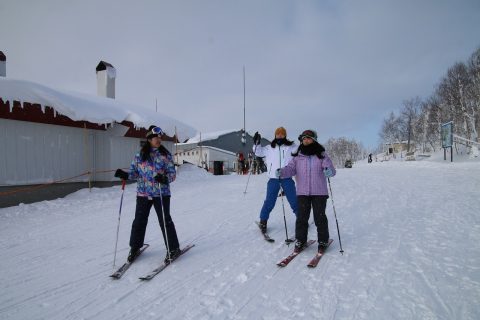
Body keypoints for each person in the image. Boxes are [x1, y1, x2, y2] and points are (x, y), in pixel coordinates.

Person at [114, 126, 181, 263]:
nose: (159, 140)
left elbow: (172, 174)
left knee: (164, 220)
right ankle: (135, 247)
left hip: (160, 193)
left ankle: (173, 248)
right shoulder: (140, 155)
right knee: (139, 221)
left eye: (160, 137)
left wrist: (164, 178)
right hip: (143, 193)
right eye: (156, 137)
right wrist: (125, 175)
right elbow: (134, 172)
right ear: (149, 139)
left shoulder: (165, 155)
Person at [277, 129, 336, 253]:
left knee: (320, 218)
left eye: (308, 138)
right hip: (302, 192)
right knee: (302, 218)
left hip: (319, 192)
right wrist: (282, 172)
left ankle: (323, 241)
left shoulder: (321, 154)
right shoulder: (298, 157)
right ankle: (301, 240)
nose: (305, 140)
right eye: (303, 139)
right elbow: (291, 169)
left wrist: (329, 171)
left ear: (313, 139)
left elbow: (331, 169)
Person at [252, 127, 298, 233]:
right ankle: (263, 221)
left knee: (294, 200)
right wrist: (256, 143)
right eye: (278, 134)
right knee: (269, 201)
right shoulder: (269, 147)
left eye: (282, 134)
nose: (280, 136)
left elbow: (300, 151)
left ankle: (301, 220)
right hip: (273, 178)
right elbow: (257, 152)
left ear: (285, 135)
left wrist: (301, 141)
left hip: (286, 178)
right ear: (275, 135)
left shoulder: (291, 147)